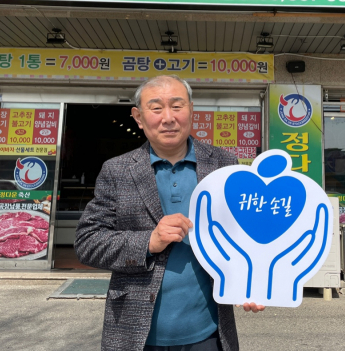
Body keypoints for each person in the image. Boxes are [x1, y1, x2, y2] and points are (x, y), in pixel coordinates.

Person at [75, 75, 264, 351]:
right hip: (135, 334)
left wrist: (253, 283)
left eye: (177, 106)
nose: (168, 117)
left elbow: (246, 233)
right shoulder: (117, 170)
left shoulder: (225, 165)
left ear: (191, 110)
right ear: (138, 117)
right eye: (156, 108)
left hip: (209, 333)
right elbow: (87, 243)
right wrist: (148, 242)